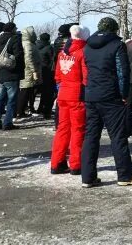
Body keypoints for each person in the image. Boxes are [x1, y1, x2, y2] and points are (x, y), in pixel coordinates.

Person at [80, 17, 132, 188]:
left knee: (91, 136)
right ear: (114, 29)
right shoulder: (117, 45)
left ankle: (87, 177)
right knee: (118, 136)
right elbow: (122, 72)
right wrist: (124, 94)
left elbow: (87, 71)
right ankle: (125, 175)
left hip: (91, 95)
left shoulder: (87, 46)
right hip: (110, 96)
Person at [50, 25, 88, 175]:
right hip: (77, 95)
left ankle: (57, 163)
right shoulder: (83, 52)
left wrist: (62, 87)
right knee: (78, 129)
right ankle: (76, 164)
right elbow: (86, 77)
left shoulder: (62, 53)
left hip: (63, 94)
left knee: (62, 129)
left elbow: (58, 75)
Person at [0, 22, 23, 131]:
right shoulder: (14, 39)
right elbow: (18, 55)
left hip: (2, 73)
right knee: (11, 100)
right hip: (12, 73)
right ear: (12, 29)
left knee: (0, 99)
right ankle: (7, 123)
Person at [16, 26, 39, 119]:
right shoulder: (28, 44)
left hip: (27, 69)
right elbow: (28, 58)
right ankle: (19, 111)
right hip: (28, 70)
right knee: (25, 91)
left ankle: (21, 110)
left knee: (26, 91)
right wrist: (34, 70)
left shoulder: (25, 43)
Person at [36, 32, 56, 119]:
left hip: (40, 71)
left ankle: (40, 108)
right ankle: (46, 111)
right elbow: (52, 60)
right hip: (48, 72)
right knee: (49, 93)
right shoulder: (49, 48)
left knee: (43, 92)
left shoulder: (36, 46)